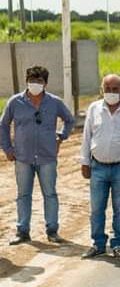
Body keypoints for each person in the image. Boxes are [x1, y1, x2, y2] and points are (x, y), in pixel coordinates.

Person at [1, 65, 75, 245]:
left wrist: (60, 137)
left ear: (46, 83)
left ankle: (52, 231)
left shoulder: (54, 102)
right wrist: (7, 149)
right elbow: (3, 125)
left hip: (47, 157)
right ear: (26, 81)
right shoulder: (15, 102)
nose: (35, 84)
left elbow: (69, 120)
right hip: (22, 157)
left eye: (39, 81)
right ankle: (22, 232)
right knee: (23, 195)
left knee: (50, 194)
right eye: (32, 80)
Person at [79, 75, 120, 259]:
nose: (111, 92)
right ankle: (98, 244)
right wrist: (84, 161)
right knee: (96, 209)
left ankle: (117, 244)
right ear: (102, 89)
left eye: (115, 89)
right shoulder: (94, 108)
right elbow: (86, 136)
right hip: (98, 167)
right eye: (107, 88)